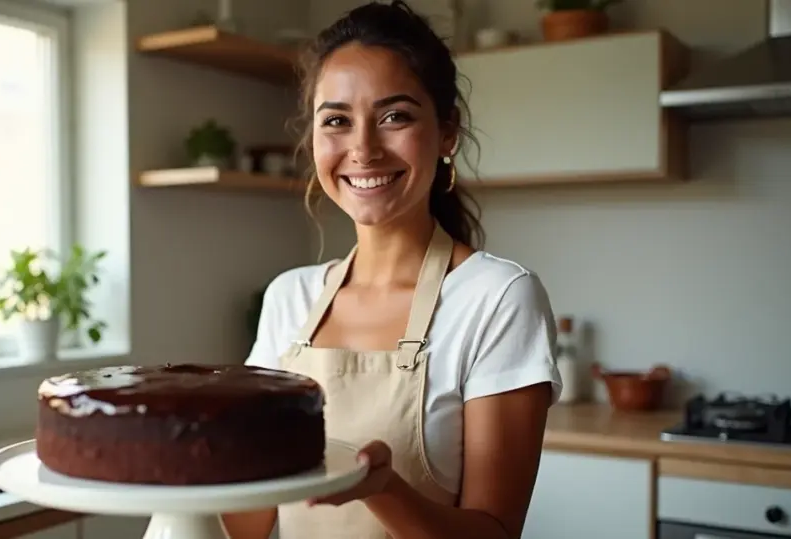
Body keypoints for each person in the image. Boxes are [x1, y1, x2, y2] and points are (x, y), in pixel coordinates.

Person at [222, 1, 563, 538]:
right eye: (337, 121)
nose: (363, 149)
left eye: (394, 117)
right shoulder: (289, 298)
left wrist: (383, 488)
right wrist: (169, 486)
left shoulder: (497, 298)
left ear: (447, 133)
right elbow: (249, 518)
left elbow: (495, 531)